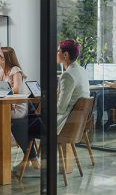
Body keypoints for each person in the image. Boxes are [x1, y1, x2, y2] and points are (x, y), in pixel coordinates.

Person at [14, 39, 90, 172]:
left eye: (58, 51)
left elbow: (60, 108)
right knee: (30, 116)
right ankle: (30, 159)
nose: (56, 53)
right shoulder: (81, 71)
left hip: (61, 125)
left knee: (17, 124)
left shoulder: (68, 76)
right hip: (74, 123)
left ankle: (31, 159)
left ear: (65, 55)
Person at [0, 46, 28, 160]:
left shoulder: (15, 70)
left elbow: (16, 89)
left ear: (4, 59)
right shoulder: (2, 71)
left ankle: (0, 149)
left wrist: (1, 89)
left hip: (17, 108)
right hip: (6, 106)